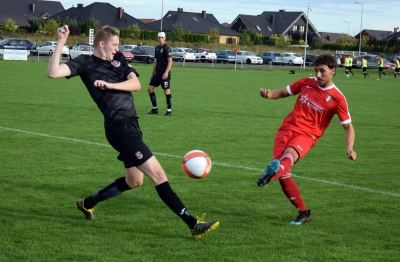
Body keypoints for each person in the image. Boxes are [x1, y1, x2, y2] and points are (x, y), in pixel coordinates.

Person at [46, 25, 219, 239]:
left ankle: (87, 203)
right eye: (114, 44)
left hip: (132, 125)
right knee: (159, 174)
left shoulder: (119, 58)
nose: (117, 48)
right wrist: (61, 41)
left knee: (134, 181)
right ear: (102, 44)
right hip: (119, 128)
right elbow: (53, 73)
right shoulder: (85, 63)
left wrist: (110, 85)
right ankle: (192, 224)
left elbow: (136, 84)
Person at [256, 54, 357, 225]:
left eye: (322, 71)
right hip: (286, 129)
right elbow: (283, 92)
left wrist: (350, 147)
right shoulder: (306, 82)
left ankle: (269, 175)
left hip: (307, 135)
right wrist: (269, 95)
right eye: (316, 70)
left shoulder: (338, 98)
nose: (318, 75)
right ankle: (304, 212)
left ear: (333, 71)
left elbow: (348, 126)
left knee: (288, 157)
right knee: (284, 173)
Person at [147, 32, 173, 116]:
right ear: (157, 38)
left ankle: (169, 111)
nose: (160, 39)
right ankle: (155, 109)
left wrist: (166, 72)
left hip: (164, 73)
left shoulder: (167, 48)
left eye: (162, 37)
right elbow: (156, 62)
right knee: (150, 89)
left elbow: (170, 61)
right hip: (157, 73)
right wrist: (152, 73)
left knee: (166, 91)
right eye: (159, 37)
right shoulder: (157, 48)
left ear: (165, 38)